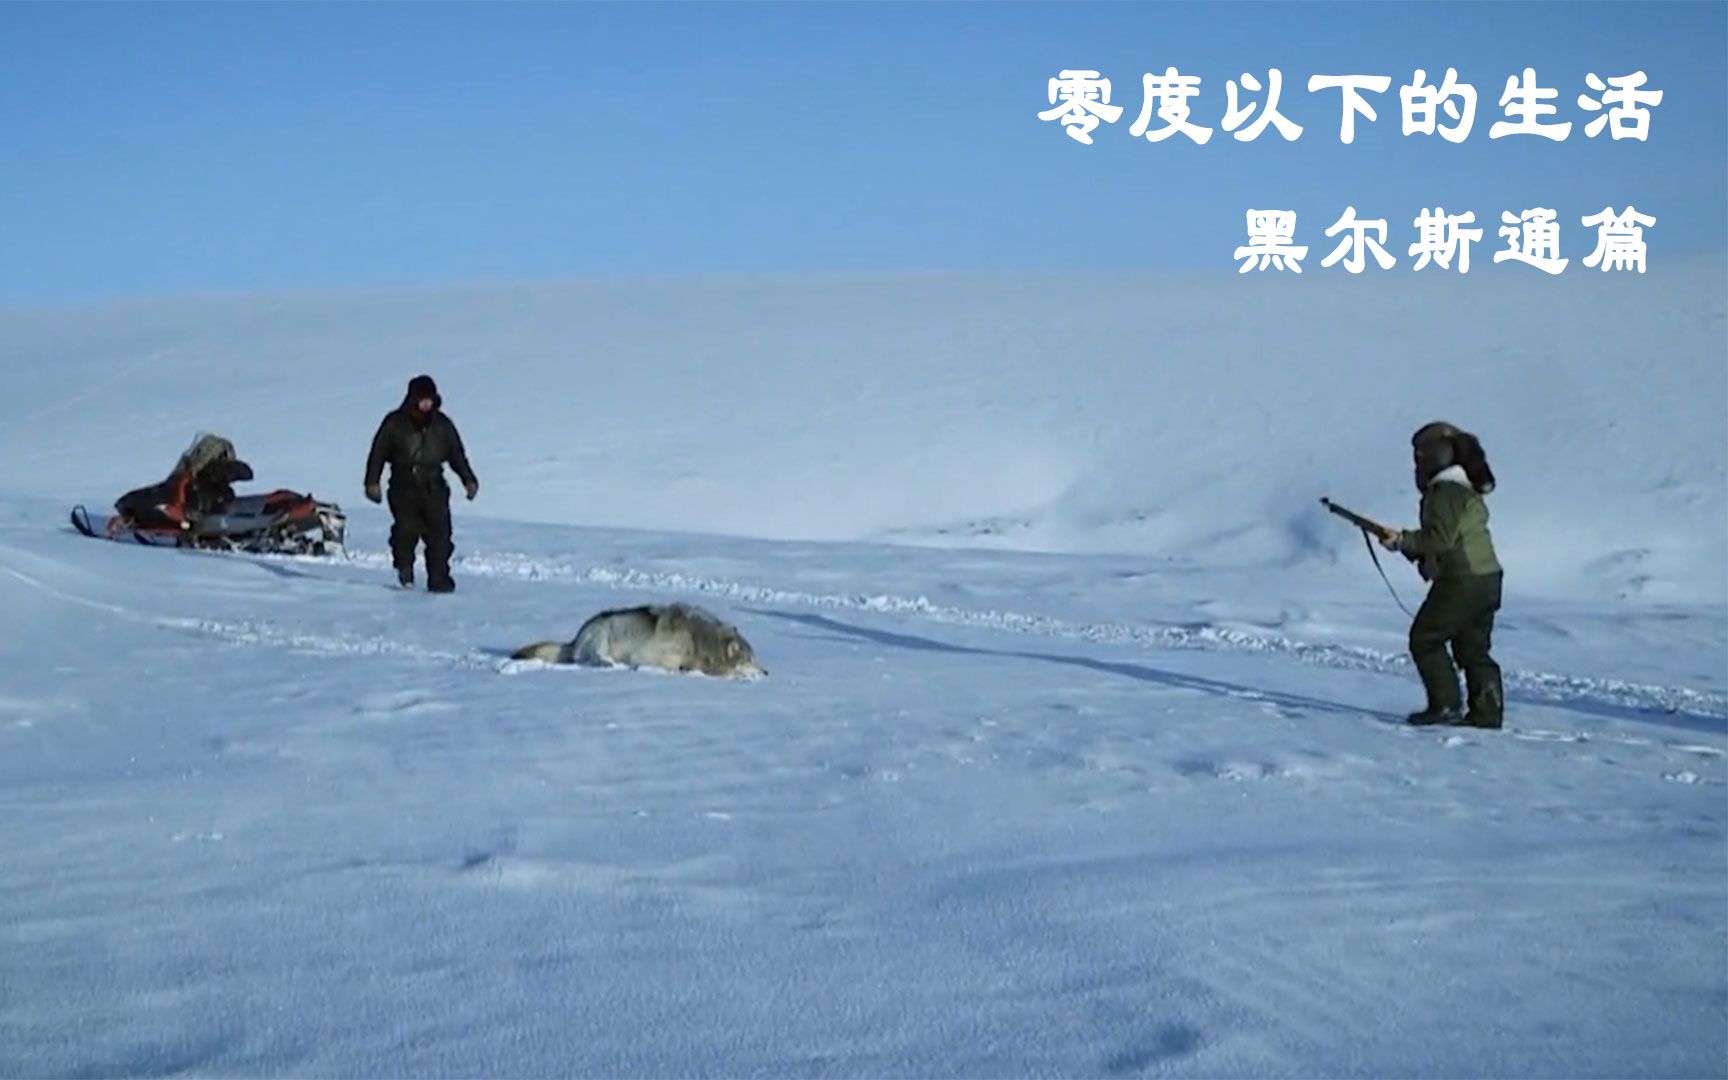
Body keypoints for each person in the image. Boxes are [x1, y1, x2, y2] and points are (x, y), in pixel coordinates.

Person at [1377, 421, 1504, 729]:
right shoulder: (1463, 488)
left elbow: (1439, 539)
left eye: (1420, 455)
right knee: (1473, 649)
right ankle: (1487, 713)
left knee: (1425, 639)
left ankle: (1445, 705)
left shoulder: (1446, 491)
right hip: (1487, 578)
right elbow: (1446, 540)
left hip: (1463, 579)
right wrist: (1409, 546)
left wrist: (1403, 541)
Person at [363, 375, 479, 593]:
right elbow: (377, 453)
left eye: (430, 399)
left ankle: (439, 580)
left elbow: (457, 455)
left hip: (434, 485)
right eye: (422, 399)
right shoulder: (394, 423)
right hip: (403, 486)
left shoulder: (443, 425)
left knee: (440, 535)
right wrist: (372, 482)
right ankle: (404, 567)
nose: (426, 404)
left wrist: (468, 479)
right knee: (407, 530)